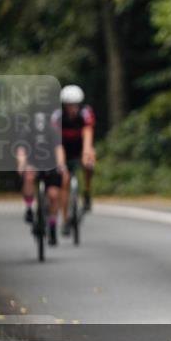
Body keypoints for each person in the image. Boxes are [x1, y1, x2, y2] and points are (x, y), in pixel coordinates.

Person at [15, 109, 67, 246]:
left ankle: (52, 225)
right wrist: (22, 164)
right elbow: (21, 149)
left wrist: (61, 164)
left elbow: (58, 149)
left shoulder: (52, 130)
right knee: (28, 176)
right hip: (33, 163)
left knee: (53, 195)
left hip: (50, 165)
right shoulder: (27, 130)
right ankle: (29, 208)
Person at [53, 84, 96, 236]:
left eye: (75, 105)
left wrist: (86, 154)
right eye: (69, 105)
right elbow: (57, 143)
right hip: (63, 148)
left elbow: (88, 134)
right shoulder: (58, 117)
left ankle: (87, 192)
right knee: (64, 179)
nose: (73, 108)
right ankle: (65, 220)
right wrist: (61, 164)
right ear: (64, 105)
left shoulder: (85, 113)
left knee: (89, 162)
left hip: (80, 146)